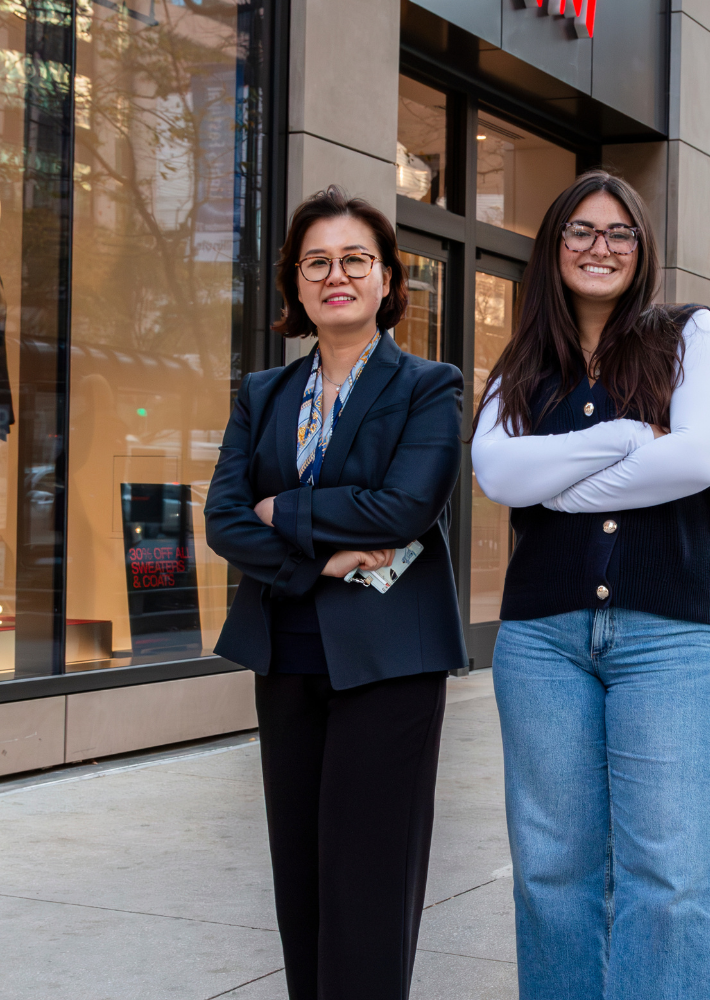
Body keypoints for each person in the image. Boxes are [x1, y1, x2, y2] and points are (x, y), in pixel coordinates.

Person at [470, 171, 710, 1000]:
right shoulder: (523, 362)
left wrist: (554, 481)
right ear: (555, 248)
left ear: (642, 248)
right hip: (541, 641)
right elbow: (494, 469)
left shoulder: (693, 334)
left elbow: (699, 457)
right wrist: (629, 437)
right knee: (551, 871)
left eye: (619, 232)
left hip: (669, 638)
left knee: (674, 874)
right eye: (581, 231)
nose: (600, 247)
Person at [205, 186, 466, 1000]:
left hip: (391, 657)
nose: (336, 275)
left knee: (370, 877)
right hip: (285, 649)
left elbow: (405, 506)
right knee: (303, 877)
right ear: (297, 284)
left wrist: (285, 509)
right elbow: (221, 519)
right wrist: (316, 560)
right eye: (316, 262)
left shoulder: (429, 385)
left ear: (388, 279)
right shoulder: (264, 394)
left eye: (356, 259)